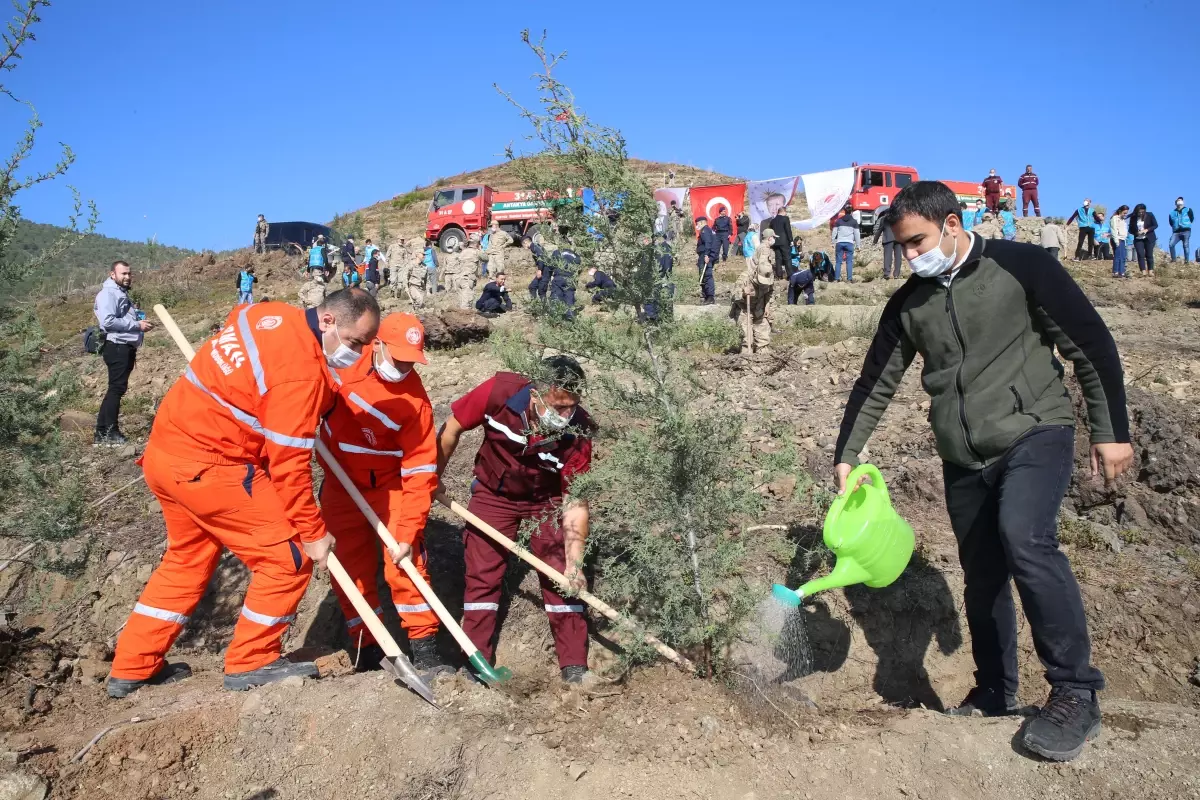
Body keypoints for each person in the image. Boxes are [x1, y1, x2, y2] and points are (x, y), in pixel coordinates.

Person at [835, 180, 1133, 763]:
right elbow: (875, 381)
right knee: (982, 571)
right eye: (902, 248)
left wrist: (1110, 431)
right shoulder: (909, 305)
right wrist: (848, 453)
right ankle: (995, 689)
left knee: (1027, 539)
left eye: (918, 241)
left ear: (951, 224)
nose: (912, 255)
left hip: (1035, 430)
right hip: (962, 454)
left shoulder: (1021, 266)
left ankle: (1075, 691)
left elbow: (1089, 344)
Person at [106, 290, 382, 698]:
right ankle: (252, 661)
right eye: (354, 342)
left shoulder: (268, 313)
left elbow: (242, 333)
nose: (356, 354)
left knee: (187, 559)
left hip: (166, 455)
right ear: (327, 321)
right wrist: (312, 532)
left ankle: (133, 665)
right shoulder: (300, 375)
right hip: (210, 466)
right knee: (287, 556)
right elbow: (289, 467)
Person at [436, 356, 598, 686]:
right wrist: (431, 477)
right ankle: (475, 661)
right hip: (494, 495)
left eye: (571, 407)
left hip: (547, 501)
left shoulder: (578, 431)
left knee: (559, 576)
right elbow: (451, 427)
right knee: (482, 573)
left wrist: (575, 562)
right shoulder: (500, 393)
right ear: (536, 396)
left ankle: (574, 666)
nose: (565, 416)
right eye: (558, 407)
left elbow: (575, 501)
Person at [317, 312, 450, 677]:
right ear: (376, 344)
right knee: (348, 566)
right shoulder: (341, 363)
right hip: (339, 483)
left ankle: (425, 651)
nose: (405, 367)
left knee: (406, 564)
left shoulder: (415, 404)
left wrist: (407, 534)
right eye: (399, 358)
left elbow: (421, 472)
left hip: (388, 487)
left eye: (412, 361)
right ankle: (367, 647)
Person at [93, 261, 152, 447]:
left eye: (129, 273)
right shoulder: (108, 294)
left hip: (124, 346)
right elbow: (108, 322)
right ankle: (110, 432)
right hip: (117, 346)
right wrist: (137, 325)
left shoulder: (119, 293)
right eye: (123, 273)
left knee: (115, 389)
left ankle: (102, 433)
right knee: (116, 389)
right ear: (113, 274)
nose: (127, 277)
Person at [733, 230, 774, 354]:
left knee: (763, 335)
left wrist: (768, 305)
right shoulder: (746, 277)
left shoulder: (769, 277)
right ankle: (746, 359)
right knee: (747, 338)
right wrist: (743, 293)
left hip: (759, 306)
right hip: (745, 309)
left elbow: (770, 292)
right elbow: (734, 295)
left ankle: (763, 356)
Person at [548, 246, 581, 318]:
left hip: (559, 277)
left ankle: (555, 317)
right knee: (569, 297)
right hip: (571, 279)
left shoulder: (557, 252)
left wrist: (549, 277)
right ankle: (570, 316)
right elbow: (578, 269)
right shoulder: (576, 255)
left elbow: (551, 265)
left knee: (556, 296)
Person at [831, 204, 860, 282]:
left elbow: (834, 232)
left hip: (839, 243)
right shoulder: (854, 222)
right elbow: (857, 234)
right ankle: (849, 279)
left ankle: (836, 279)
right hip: (849, 243)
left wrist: (833, 242)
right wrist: (858, 245)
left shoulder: (838, 221)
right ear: (851, 212)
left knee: (838, 262)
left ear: (844, 211)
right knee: (849, 261)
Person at [873, 203, 902, 279]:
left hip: (888, 239)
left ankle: (887, 273)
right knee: (898, 257)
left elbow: (879, 230)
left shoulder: (884, 219)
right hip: (898, 239)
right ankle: (896, 274)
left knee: (888, 256)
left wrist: (875, 241)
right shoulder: (898, 218)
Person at [767, 200, 794, 281]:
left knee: (778, 258)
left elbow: (771, 231)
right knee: (787, 258)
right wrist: (791, 240)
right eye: (786, 212)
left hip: (776, 242)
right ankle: (790, 275)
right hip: (784, 241)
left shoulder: (773, 220)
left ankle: (779, 275)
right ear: (783, 212)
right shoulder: (785, 218)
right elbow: (788, 230)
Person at [695, 216, 718, 305]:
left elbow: (708, 243)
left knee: (707, 276)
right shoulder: (708, 230)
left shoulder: (705, 230)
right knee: (703, 275)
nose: (697, 226)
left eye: (697, 224)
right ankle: (705, 296)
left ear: (701, 222)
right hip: (705, 255)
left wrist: (706, 255)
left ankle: (710, 297)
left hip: (705, 256)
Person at [1130, 203, 1158, 276]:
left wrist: (1147, 230)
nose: (1141, 213)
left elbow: (1155, 225)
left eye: (1142, 212)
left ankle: (1150, 271)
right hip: (1138, 239)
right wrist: (1136, 233)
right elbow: (1130, 229)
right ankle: (1143, 271)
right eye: (1139, 212)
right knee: (1140, 254)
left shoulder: (1150, 215)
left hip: (1149, 237)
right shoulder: (1133, 217)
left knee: (1149, 254)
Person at [1168, 196, 1193, 263]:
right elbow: (1171, 222)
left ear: (1183, 202)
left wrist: (1186, 224)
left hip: (1186, 230)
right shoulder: (1172, 213)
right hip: (1176, 232)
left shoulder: (1188, 210)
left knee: (1185, 245)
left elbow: (1191, 219)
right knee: (1171, 244)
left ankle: (1186, 261)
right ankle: (1173, 260)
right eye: (1178, 200)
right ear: (1175, 203)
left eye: (1180, 200)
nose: (1179, 202)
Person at [1110, 206, 1129, 278]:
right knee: (1118, 256)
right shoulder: (1114, 218)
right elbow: (1114, 230)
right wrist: (1116, 241)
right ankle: (1116, 272)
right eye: (1124, 213)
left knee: (1123, 257)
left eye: (1126, 213)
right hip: (1117, 239)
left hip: (1123, 239)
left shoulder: (1123, 220)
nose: (1125, 214)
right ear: (1120, 211)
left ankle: (1122, 272)